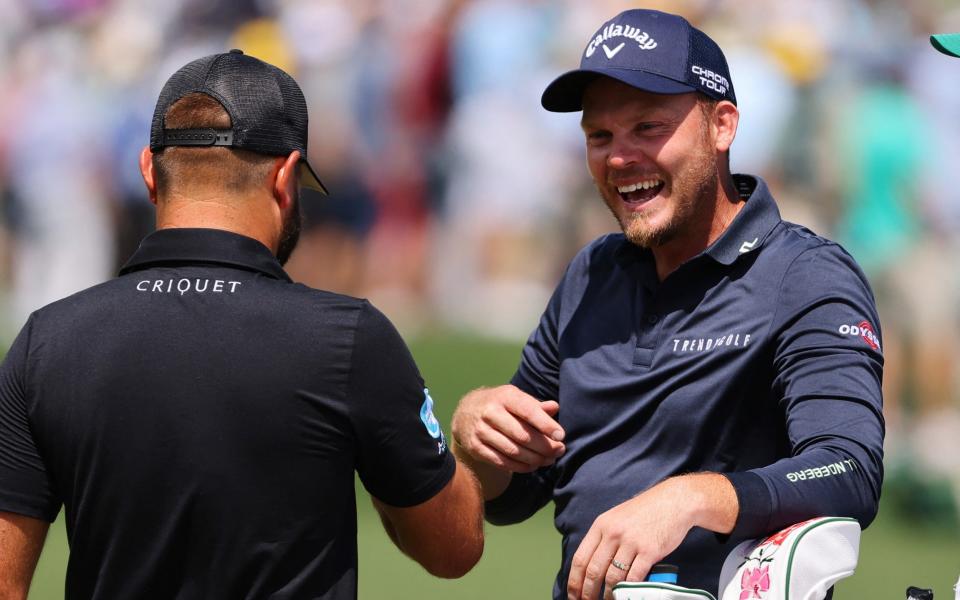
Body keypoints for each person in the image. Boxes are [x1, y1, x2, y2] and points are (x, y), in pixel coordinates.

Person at [0, 50, 483, 599]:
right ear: (285, 178)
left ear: (148, 173)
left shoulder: (47, 341)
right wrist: (467, 436)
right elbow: (453, 548)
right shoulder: (348, 339)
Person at [450, 9, 883, 600]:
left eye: (648, 127)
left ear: (722, 126)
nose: (620, 157)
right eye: (599, 137)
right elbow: (520, 493)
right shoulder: (590, 272)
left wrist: (694, 497)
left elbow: (848, 469)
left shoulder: (803, 274)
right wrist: (480, 434)